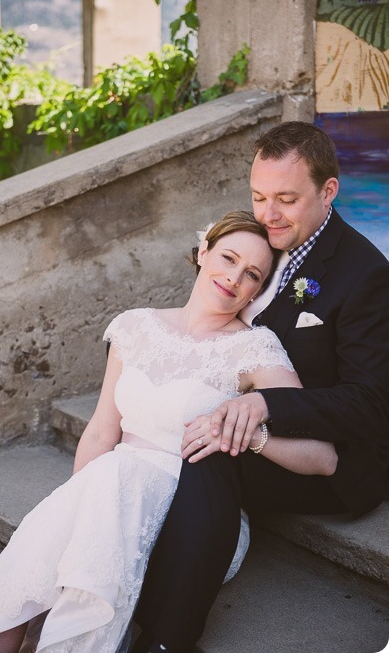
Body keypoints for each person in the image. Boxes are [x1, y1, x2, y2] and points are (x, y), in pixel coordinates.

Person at [0, 212, 337, 653]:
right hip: (108, 496)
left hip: (188, 511)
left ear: (257, 291)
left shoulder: (255, 348)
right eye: (228, 257)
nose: (234, 277)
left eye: (252, 275)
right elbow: (100, 433)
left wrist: (252, 435)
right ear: (203, 252)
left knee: (112, 477)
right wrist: (76, 515)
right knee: (101, 482)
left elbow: (322, 457)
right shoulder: (134, 325)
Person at [132, 121, 389, 653]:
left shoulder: (367, 275)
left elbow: (370, 405)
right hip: (245, 412)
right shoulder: (258, 245)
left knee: (208, 451)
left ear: (328, 191)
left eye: (286, 199)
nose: (268, 214)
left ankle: (167, 640)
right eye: (259, 196)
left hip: (334, 461)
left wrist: (262, 405)